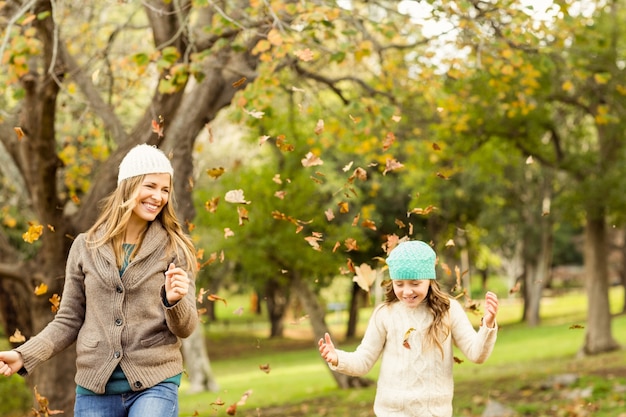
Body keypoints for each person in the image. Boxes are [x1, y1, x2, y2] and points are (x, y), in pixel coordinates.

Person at [0, 144, 198, 417]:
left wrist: (174, 302)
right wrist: (24, 355)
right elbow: (68, 320)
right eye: (150, 186)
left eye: (165, 189)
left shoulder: (174, 248)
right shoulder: (85, 246)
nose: (158, 196)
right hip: (95, 389)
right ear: (128, 187)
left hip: (155, 382)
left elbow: (186, 328)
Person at [318, 240, 499, 417]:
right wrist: (337, 358)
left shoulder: (448, 310)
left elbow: (477, 354)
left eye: (415, 283)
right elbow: (363, 361)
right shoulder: (385, 313)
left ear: (429, 279)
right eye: (399, 284)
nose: (406, 291)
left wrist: (488, 325)